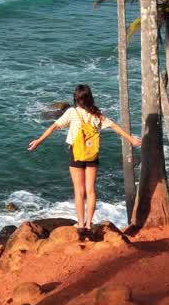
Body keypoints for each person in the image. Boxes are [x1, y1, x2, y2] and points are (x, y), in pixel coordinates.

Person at [28, 84, 140, 230]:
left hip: (77, 154)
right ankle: (88, 224)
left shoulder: (72, 112)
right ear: (90, 98)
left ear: (76, 98)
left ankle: (80, 224)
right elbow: (114, 127)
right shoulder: (97, 114)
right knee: (91, 190)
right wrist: (131, 139)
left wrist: (38, 141)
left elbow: (54, 127)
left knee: (79, 191)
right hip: (92, 155)